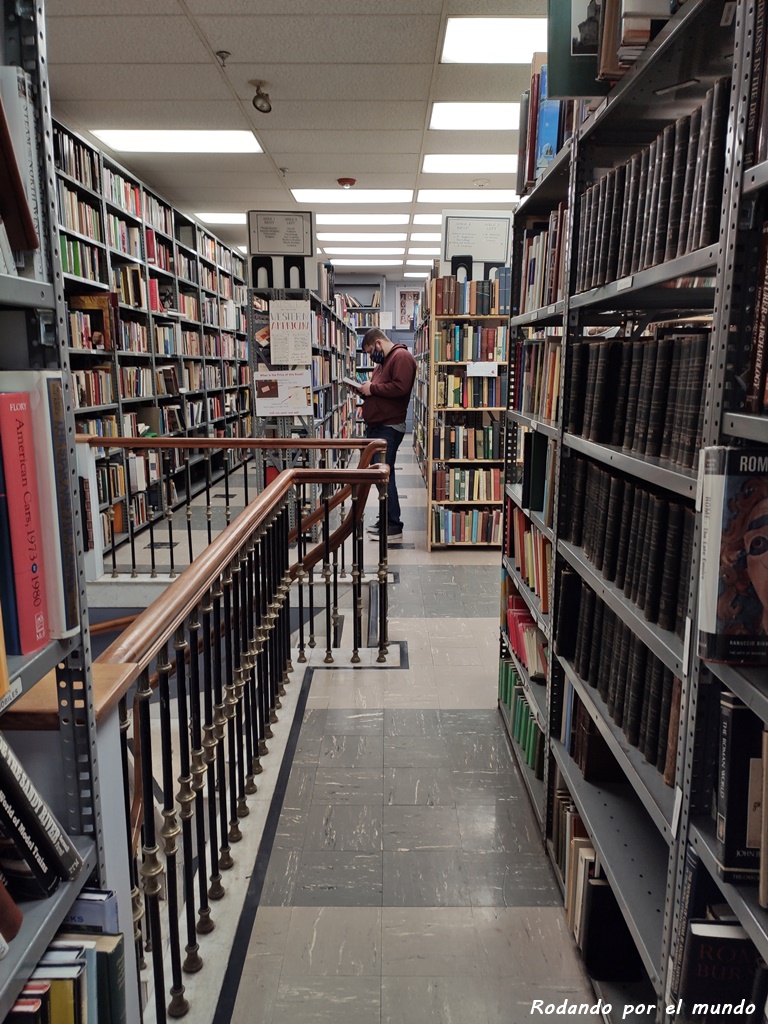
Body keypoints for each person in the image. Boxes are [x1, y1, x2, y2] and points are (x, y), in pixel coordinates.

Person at [356, 327, 417, 539]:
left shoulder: (401, 357)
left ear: (379, 343)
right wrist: (365, 390)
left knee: (384, 475)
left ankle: (393, 524)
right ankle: (386, 517)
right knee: (380, 474)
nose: (371, 355)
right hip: (378, 425)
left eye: (370, 350)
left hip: (389, 427)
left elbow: (400, 388)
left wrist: (372, 389)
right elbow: (381, 389)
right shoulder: (382, 363)